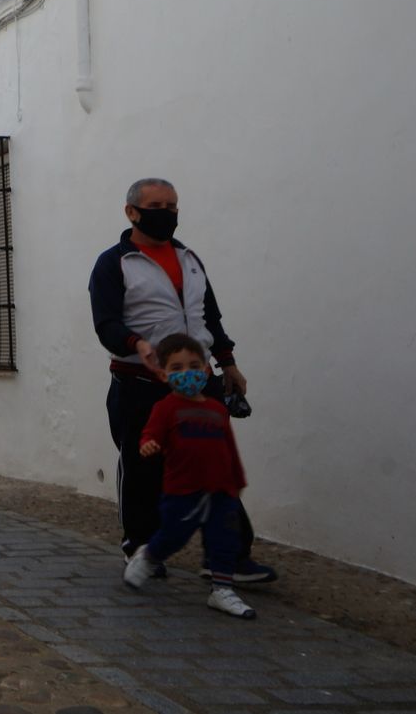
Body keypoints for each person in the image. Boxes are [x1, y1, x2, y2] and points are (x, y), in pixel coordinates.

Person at [88, 177, 276, 583]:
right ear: (132, 212)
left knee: (216, 467)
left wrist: (228, 364)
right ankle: (141, 550)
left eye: (173, 206)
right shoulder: (114, 263)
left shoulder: (190, 258)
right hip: (139, 383)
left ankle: (229, 557)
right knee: (142, 469)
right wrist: (136, 344)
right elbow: (105, 323)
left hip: (198, 383)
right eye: (157, 205)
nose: (168, 213)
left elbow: (210, 316)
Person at [124, 334, 256, 619]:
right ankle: (148, 556)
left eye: (194, 366)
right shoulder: (166, 408)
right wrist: (148, 444)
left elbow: (228, 448)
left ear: (207, 370)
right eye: (177, 368)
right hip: (182, 490)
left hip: (220, 490)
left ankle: (222, 590)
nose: (188, 374)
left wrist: (237, 480)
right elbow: (150, 434)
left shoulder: (217, 410)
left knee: (224, 540)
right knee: (173, 536)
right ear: (163, 374)